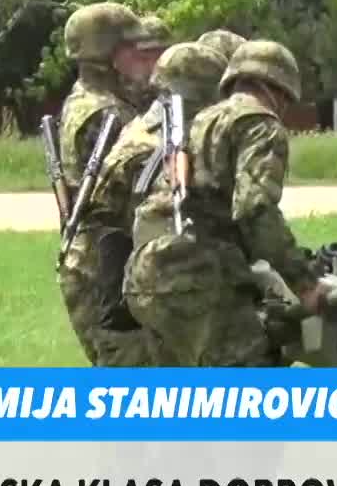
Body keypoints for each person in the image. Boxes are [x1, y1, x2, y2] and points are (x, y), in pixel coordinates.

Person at [122, 39, 325, 367]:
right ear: (280, 89)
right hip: (196, 278)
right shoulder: (260, 124)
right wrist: (305, 284)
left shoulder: (201, 120)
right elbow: (255, 209)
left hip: (145, 275)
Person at [55, 2, 168, 365]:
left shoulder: (89, 101)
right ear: (108, 55)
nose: (140, 55)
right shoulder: (105, 115)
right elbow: (131, 198)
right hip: (104, 270)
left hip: (98, 262)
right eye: (131, 47)